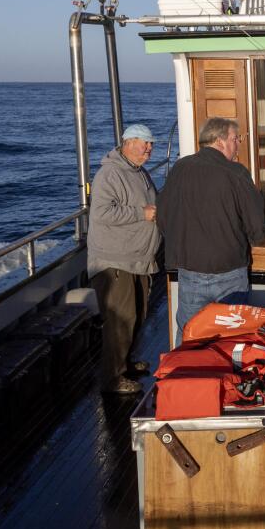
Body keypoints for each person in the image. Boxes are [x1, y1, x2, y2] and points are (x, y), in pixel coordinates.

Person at [156, 115, 265, 341]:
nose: (238, 145)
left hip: (190, 272)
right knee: (233, 336)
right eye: (236, 139)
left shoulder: (180, 168)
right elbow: (257, 229)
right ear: (219, 140)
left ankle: (183, 373)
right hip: (229, 274)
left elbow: (163, 217)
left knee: (189, 334)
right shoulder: (236, 173)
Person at [86, 122, 159, 395]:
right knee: (121, 319)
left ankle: (125, 363)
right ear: (128, 143)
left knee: (137, 315)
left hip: (137, 258)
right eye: (145, 143)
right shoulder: (110, 174)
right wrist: (142, 213)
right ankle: (112, 379)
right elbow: (102, 213)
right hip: (114, 261)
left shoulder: (139, 172)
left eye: (151, 144)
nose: (150, 148)